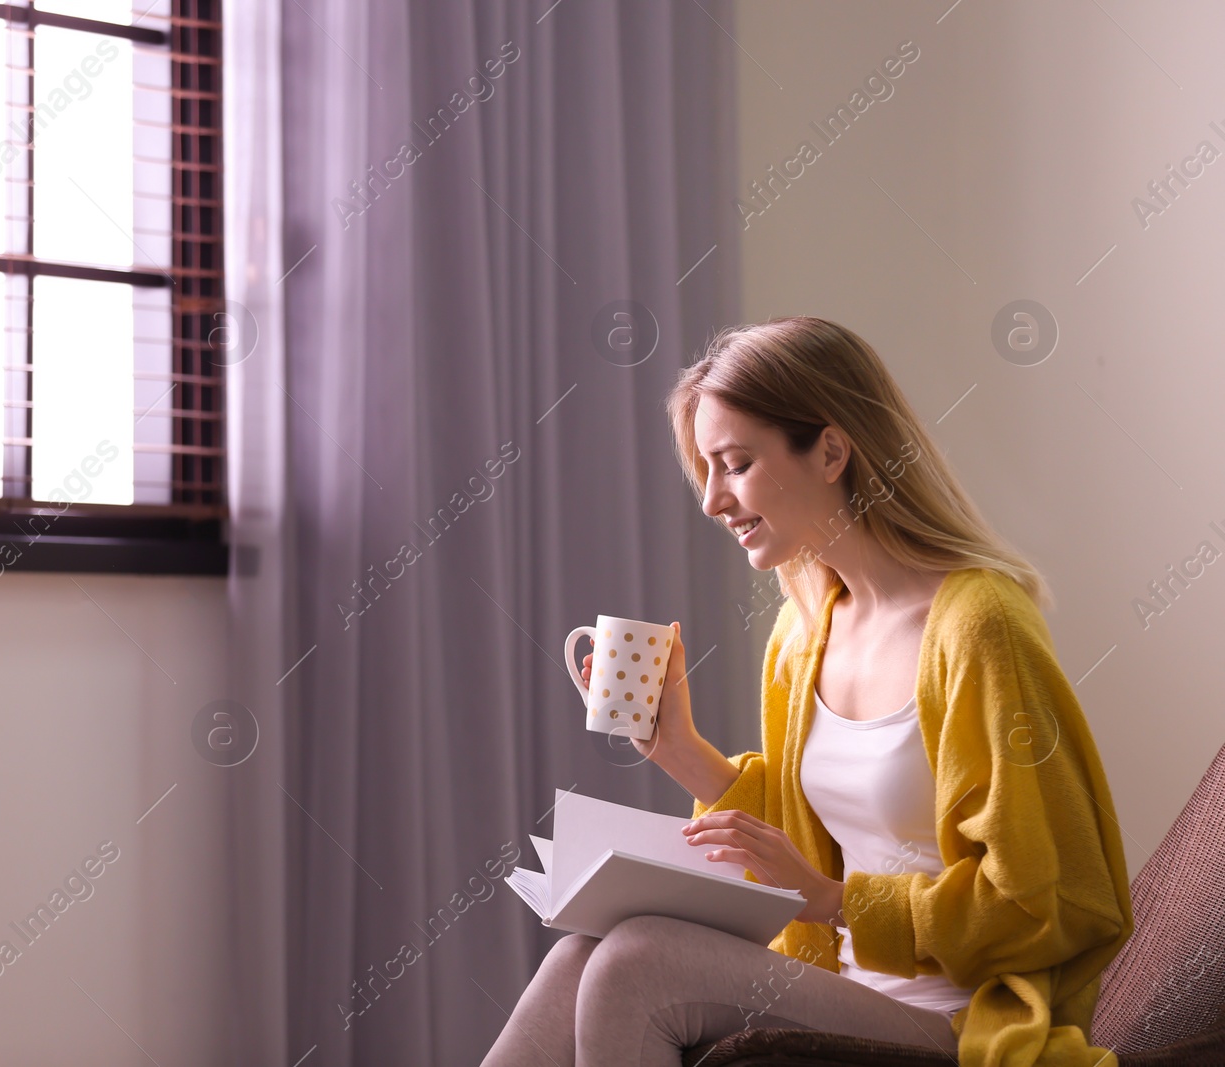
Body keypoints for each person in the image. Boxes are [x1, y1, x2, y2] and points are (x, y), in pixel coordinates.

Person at [480, 317, 1133, 1067]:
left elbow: (1050, 900)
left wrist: (837, 902)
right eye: (708, 471)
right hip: (836, 984)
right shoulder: (802, 631)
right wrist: (683, 753)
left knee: (637, 964)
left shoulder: (979, 627)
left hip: (956, 1019)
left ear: (830, 450)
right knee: (578, 958)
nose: (713, 502)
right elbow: (804, 839)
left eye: (734, 463)